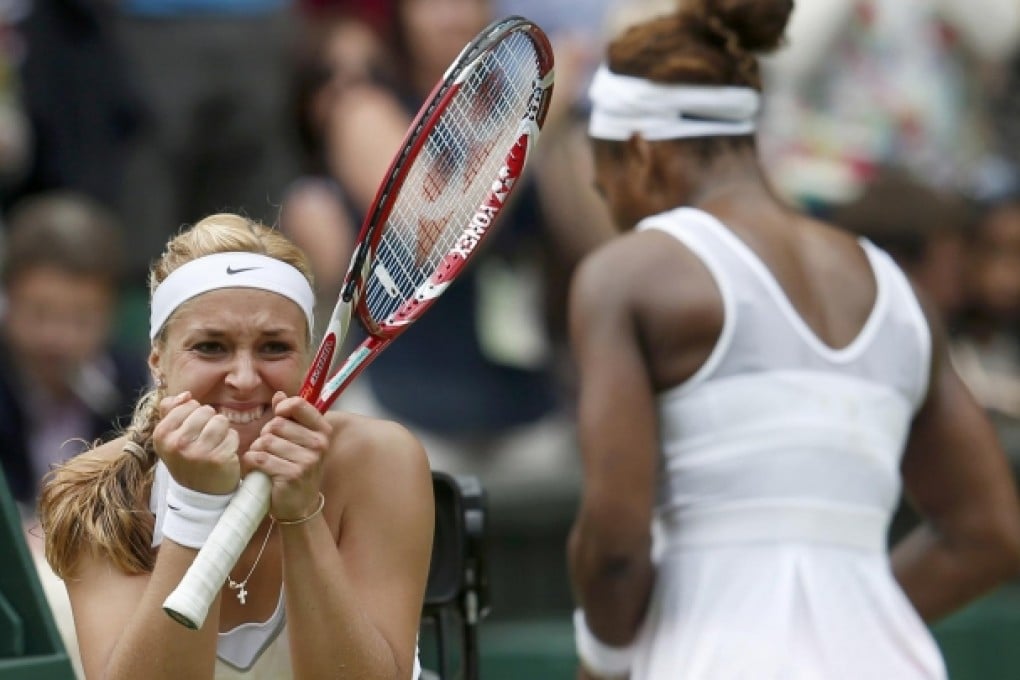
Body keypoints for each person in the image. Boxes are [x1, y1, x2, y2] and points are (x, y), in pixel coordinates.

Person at [565, 1, 1020, 679]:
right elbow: (989, 534)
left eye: (607, 191)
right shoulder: (900, 292)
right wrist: (845, 618)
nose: (617, 215)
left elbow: (615, 548)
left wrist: (605, 663)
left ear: (640, 153)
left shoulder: (626, 276)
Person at [38, 213, 434, 679]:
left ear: (308, 360)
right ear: (158, 362)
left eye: (274, 347)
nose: (244, 379)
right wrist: (194, 506)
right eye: (211, 347)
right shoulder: (91, 491)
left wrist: (302, 515)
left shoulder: (381, 461)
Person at [0, 190, 149, 514]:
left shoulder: (138, 389)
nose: (57, 338)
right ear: (7, 301)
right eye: (39, 313)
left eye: (81, 320)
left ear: (111, 314)